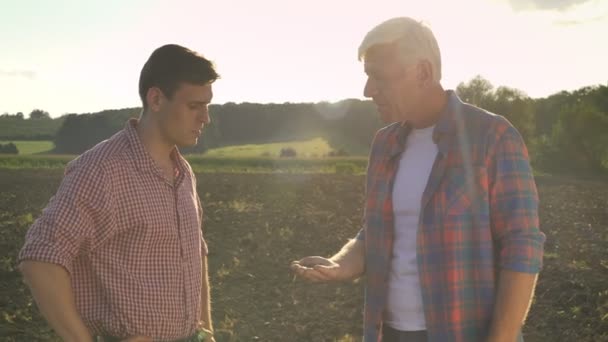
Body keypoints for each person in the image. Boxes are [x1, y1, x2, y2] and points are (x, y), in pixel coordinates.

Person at [291, 17, 545, 342]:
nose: (368, 91)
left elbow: (522, 244)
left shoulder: (492, 137)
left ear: (423, 72)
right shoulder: (385, 144)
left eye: (378, 77)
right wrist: (339, 265)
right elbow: (376, 230)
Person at [18, 44, 218, 342]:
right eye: (194, 106)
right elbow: (40, 257)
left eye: (207, 106)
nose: (206, 118)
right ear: (156, 99)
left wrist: (206, 332)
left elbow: (194, 254)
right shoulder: (101, 170)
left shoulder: (183, 171)